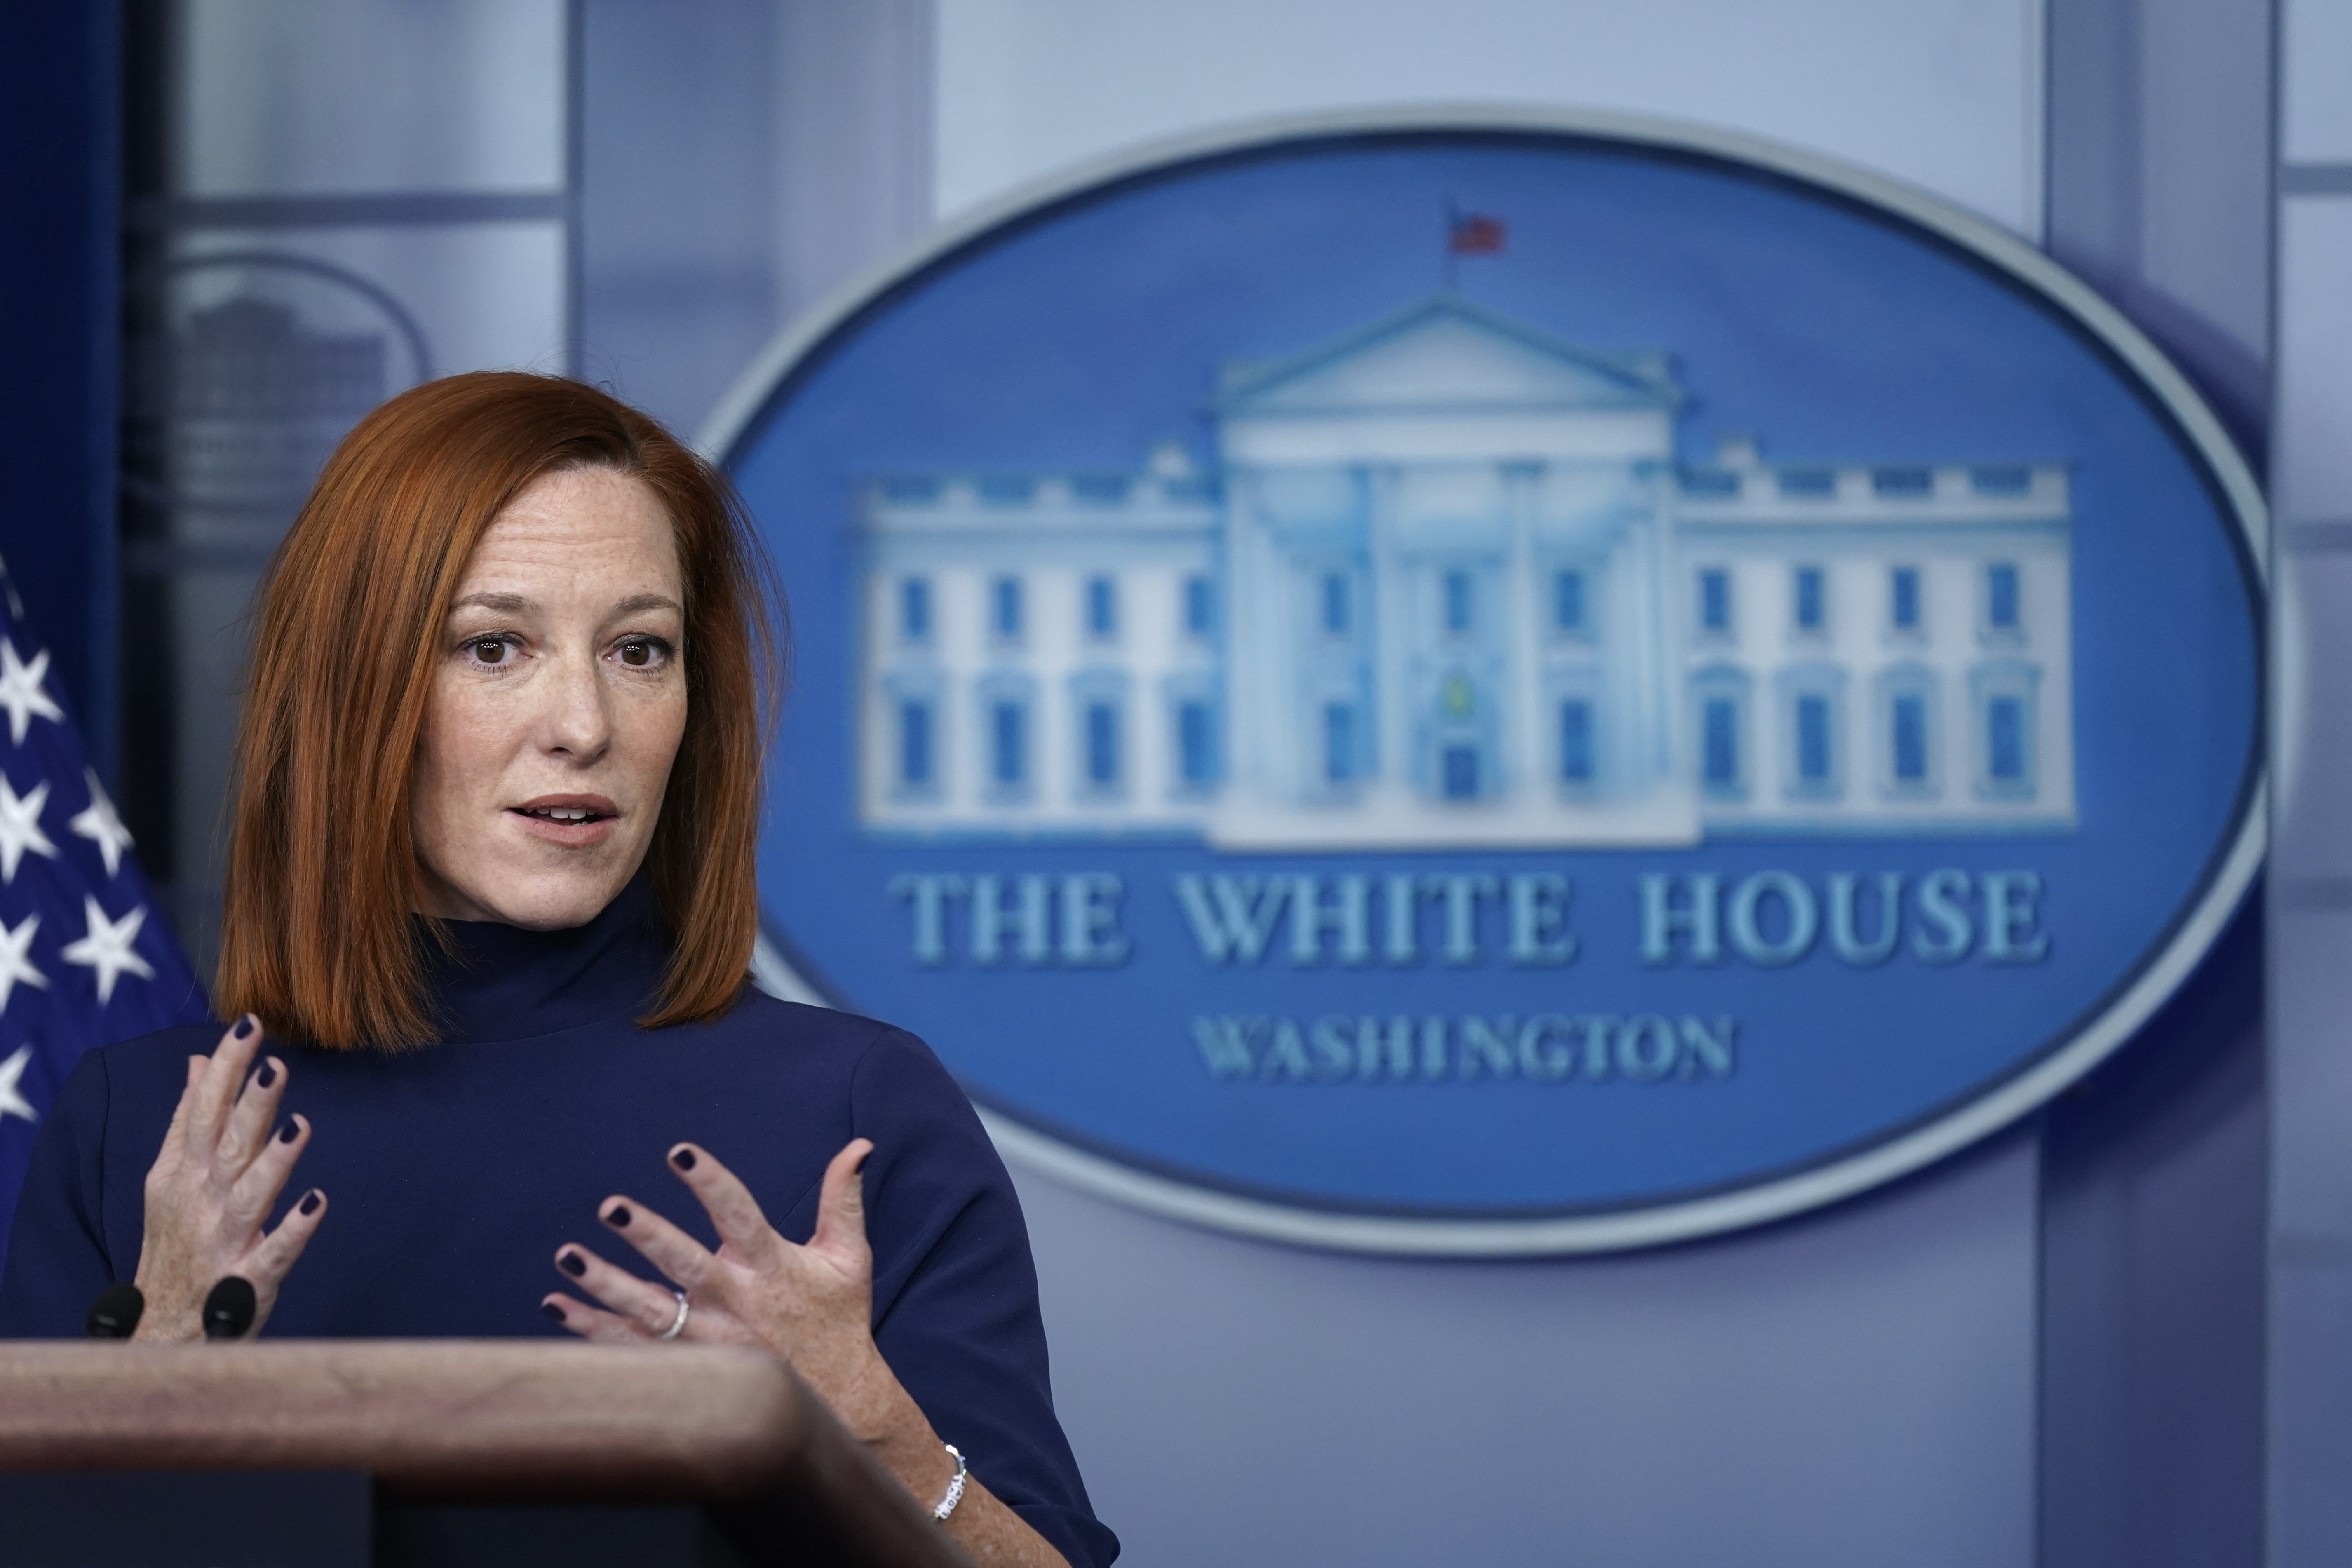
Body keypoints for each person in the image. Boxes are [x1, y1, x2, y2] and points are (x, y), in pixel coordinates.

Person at [0, 373, 1116, 1568]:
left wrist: (874, 1431)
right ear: (353, 687)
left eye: (640, 649)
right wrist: (153, 1383)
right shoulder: (142, 1130)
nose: (583, 722)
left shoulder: (856, 1109)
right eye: (496, 646)